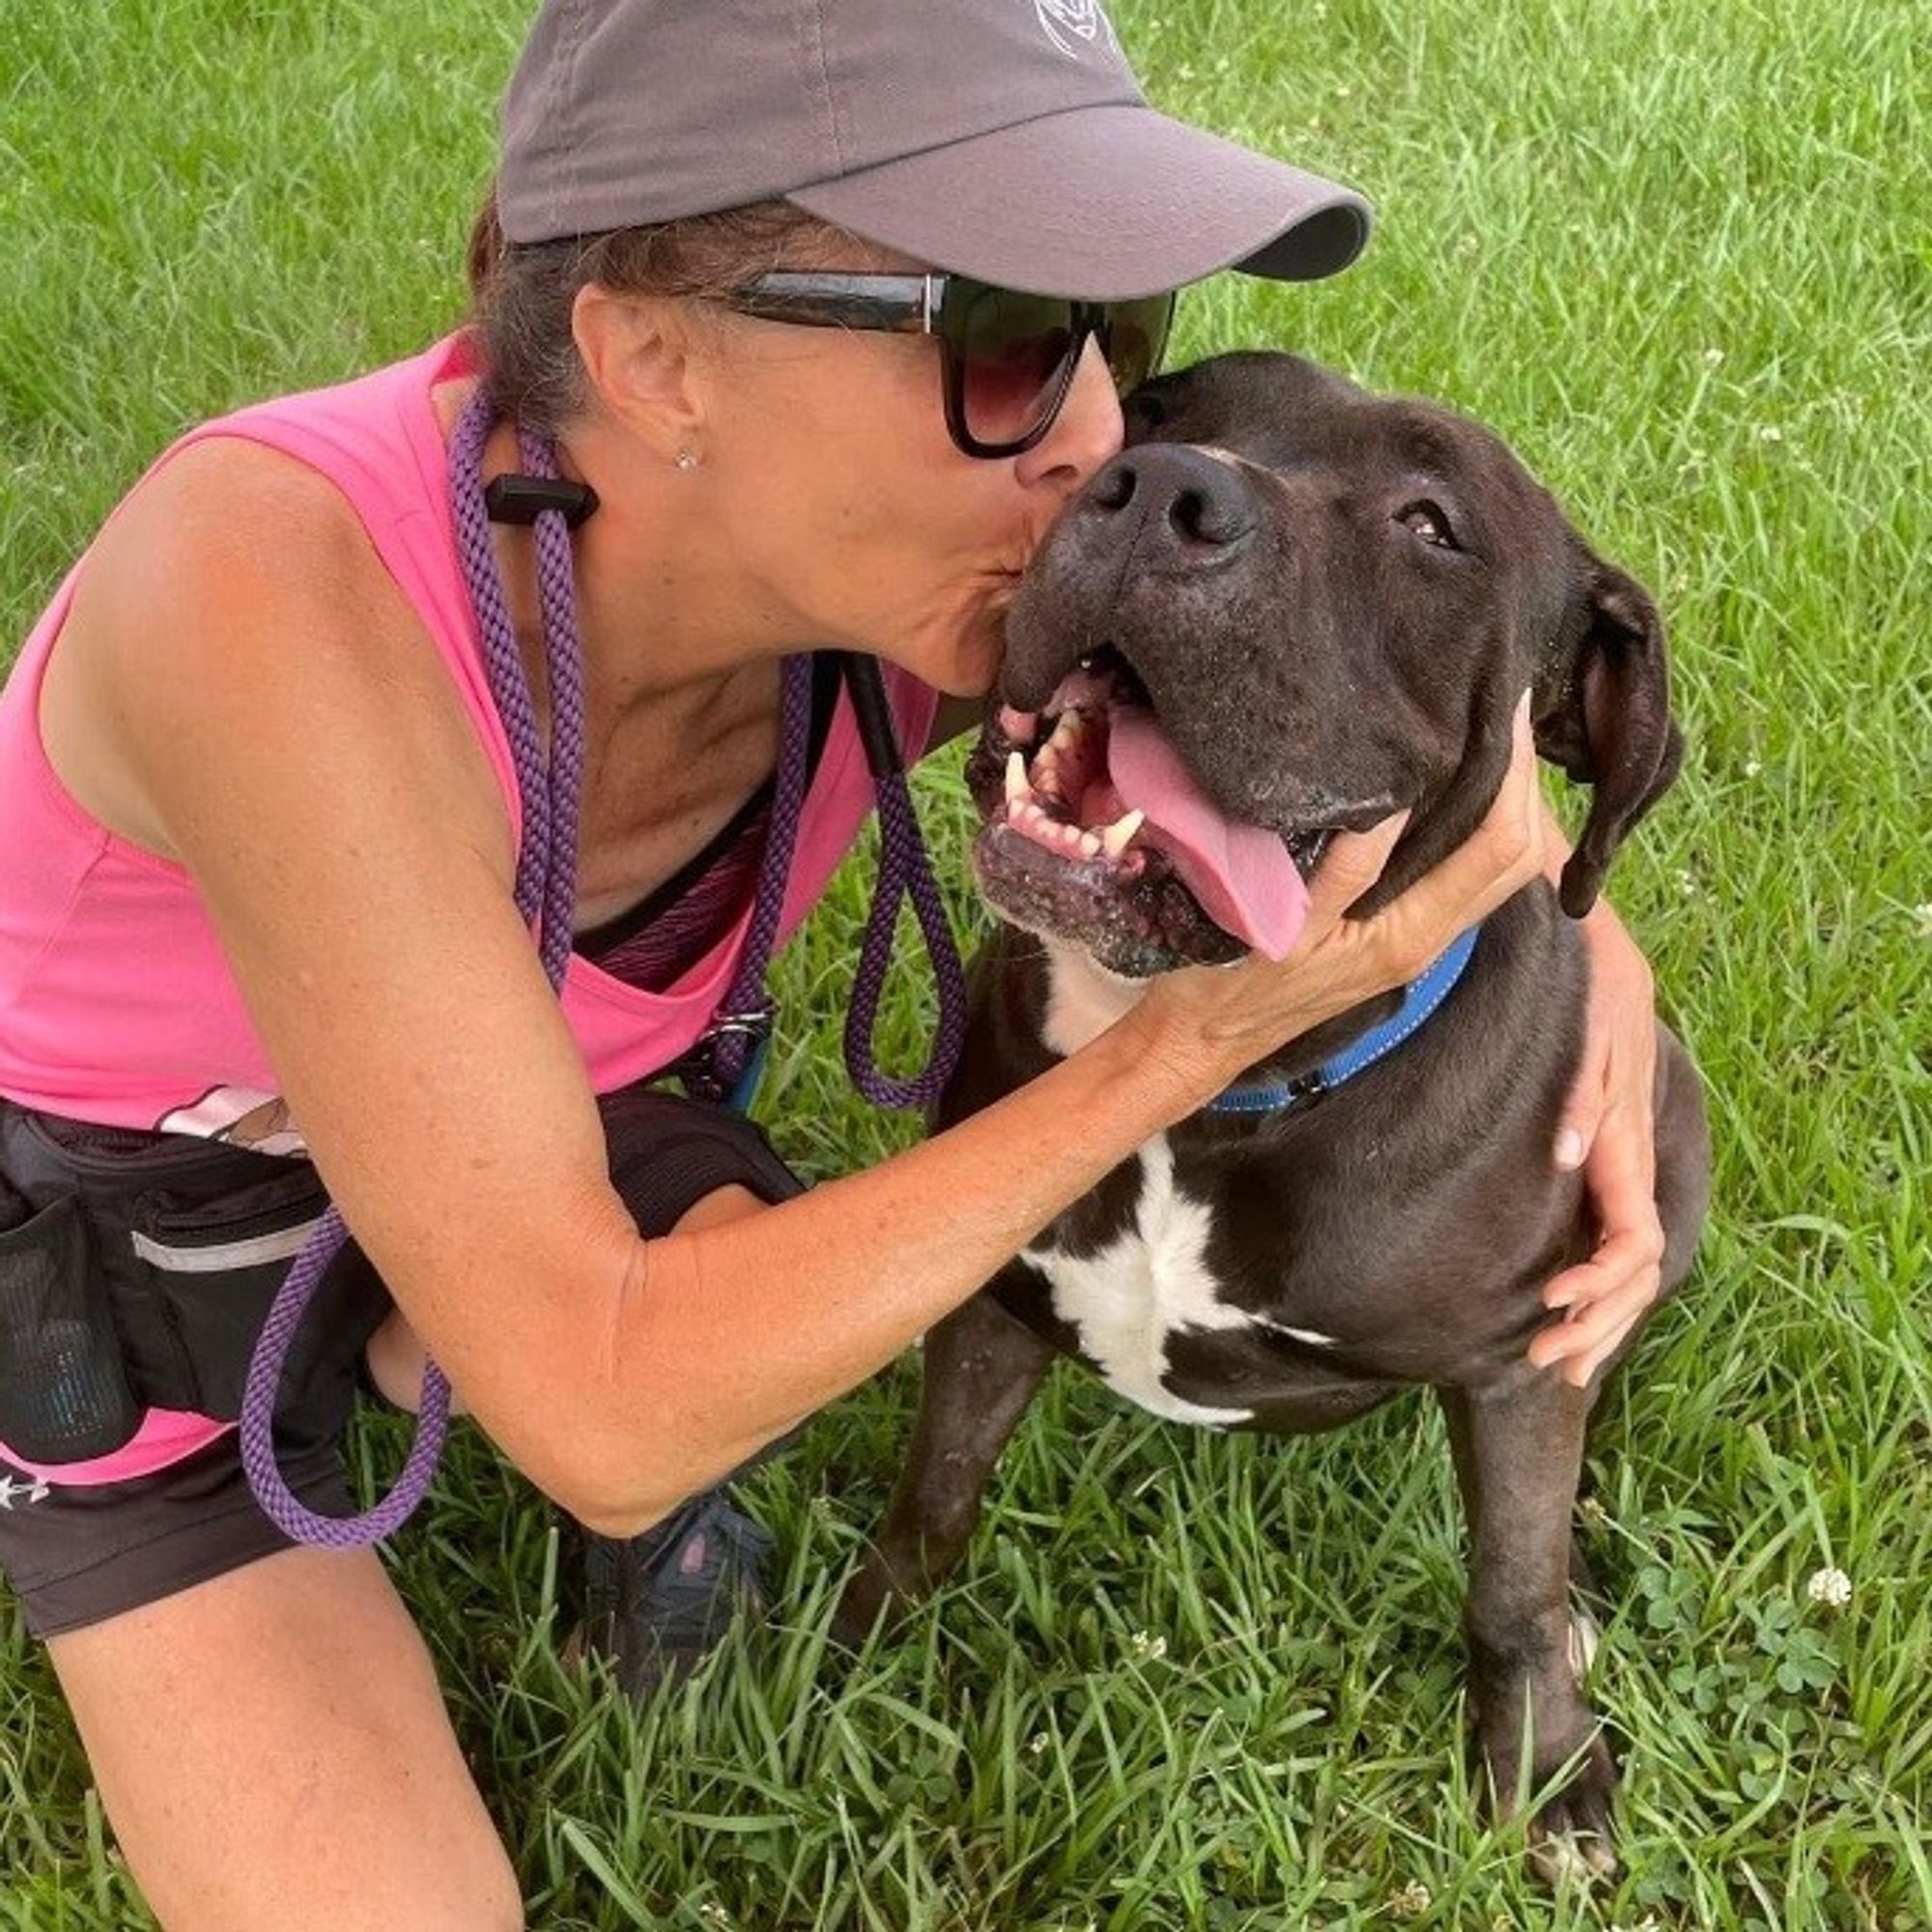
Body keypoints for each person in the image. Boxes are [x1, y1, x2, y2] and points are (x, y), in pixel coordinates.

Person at [0, 2, 1668, 1923]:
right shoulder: (269, 589)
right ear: (648, 355)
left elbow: (1414, 729)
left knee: (730, 1308)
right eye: (1005, 342)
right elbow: (606, 1418)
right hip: (139, 1257)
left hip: (543, 1113)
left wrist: (1589, 967)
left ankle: (500, 1292)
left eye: (1123, 346)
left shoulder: (906, 576)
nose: (1104, 454)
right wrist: (1180, 1046)